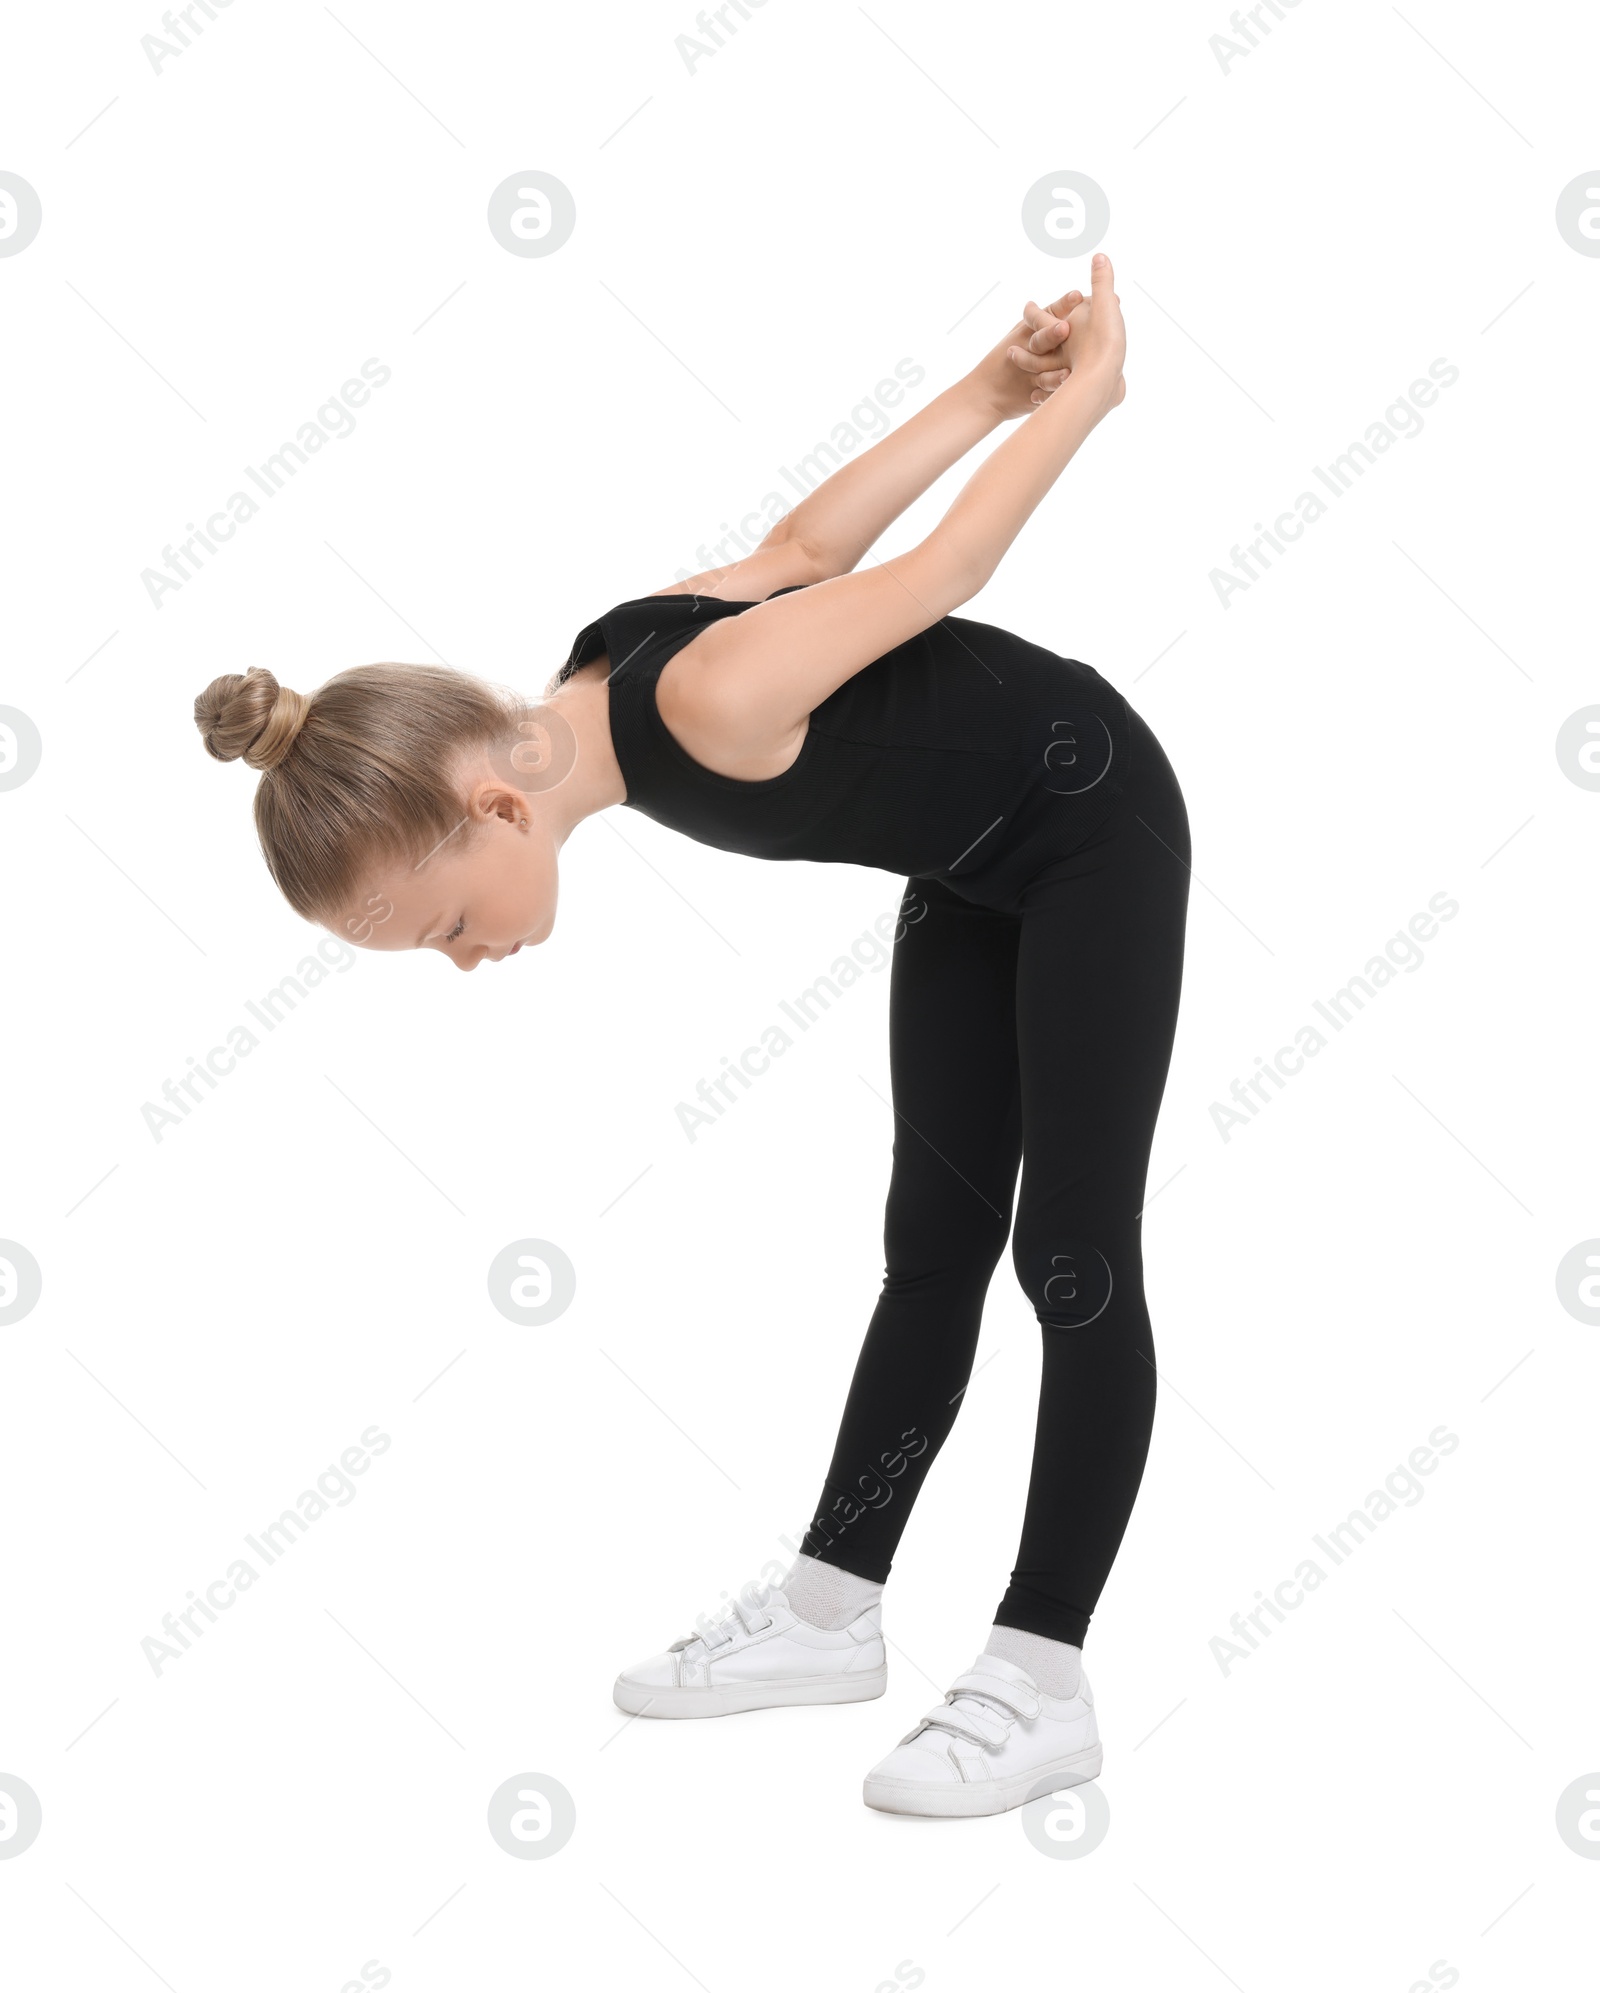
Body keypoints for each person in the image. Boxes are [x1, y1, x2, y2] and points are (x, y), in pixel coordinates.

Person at [194, 253, 1190, 1818]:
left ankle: (1042, 1671)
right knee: (931, 1242)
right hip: (976, 863)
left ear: (497, 806)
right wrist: (992, 387)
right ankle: (829, 1611)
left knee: (1068, 1252)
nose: (464, 965)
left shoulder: (709, 700)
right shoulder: (604, 662)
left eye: (447, 926)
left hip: (1091, 826)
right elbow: (807, 543)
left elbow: (939, 575)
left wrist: (1084, 397)